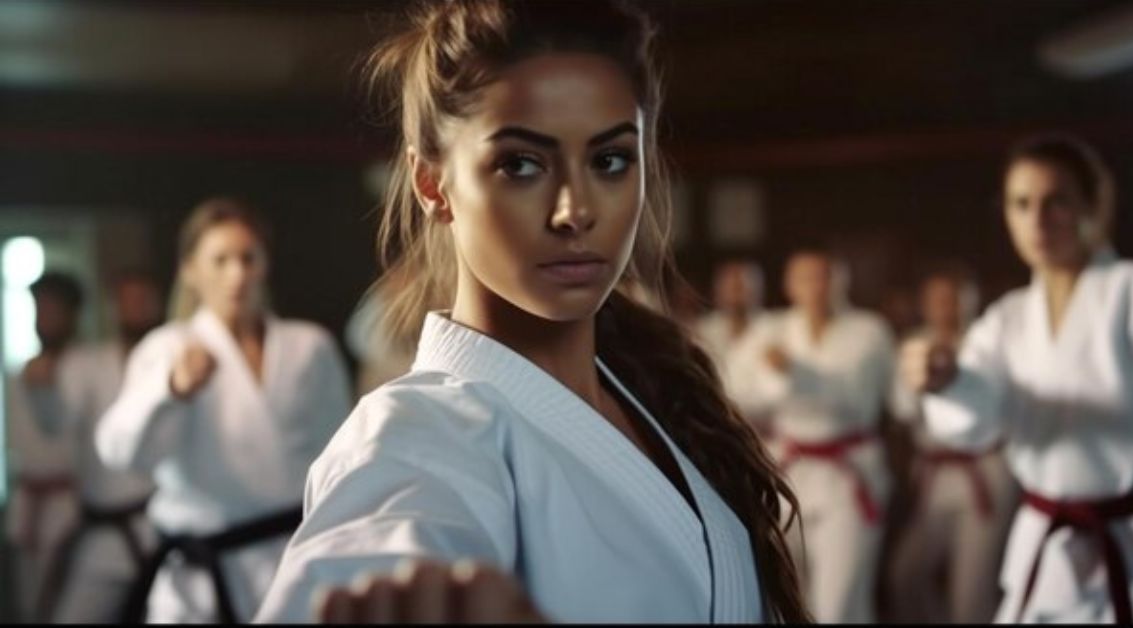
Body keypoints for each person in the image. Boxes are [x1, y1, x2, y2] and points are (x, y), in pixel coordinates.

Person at [255, 1, 806, 622]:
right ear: (432, 184)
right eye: (521, 164)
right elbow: (381, 547)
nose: (575, 210)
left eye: (610, 161)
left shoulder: (652, 390)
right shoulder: (420, 431)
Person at [900, 134, 1133, 623]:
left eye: (1055, 201)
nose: (1037, 220)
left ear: (1093, 205)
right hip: (1048, 546)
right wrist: (948, 381)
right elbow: (979, 418)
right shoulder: (1007, 318)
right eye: (1021, 204)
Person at [94, 198, 353, 622]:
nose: (237, 274)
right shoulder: (166, 349)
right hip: (197, 580)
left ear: (265, 264)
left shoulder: (309, 346)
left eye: (248, 258)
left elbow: (343, 455)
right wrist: (171, 388)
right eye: (220, 260)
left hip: (293, 562)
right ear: (190, 270)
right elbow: (120, 452)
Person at [726, 249, 895, 623]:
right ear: (789, 285)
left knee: (840, 602)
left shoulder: (869, 331)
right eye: (804, 277)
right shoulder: (770, 330)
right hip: (790, 471)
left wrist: (794, 373)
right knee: (789, 595)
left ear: (841, 280)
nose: (815, 286)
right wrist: (775, 380)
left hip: (850, 475)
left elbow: (857, 402)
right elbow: (738, 397)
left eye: (824, 276)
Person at [886, 263, 1017, 623]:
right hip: (935, 475)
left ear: (971, 300)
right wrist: (922, 379)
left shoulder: (987, 343)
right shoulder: (913, 345)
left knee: (971, 595)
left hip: (984, 473)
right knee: (906, 577)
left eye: (954, 298)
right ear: (924, 304)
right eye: (936, 299)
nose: (945, 306)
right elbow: (901, 409)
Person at [37, 270, 165, 622]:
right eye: (128, 300)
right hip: (104, 530)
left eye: (144, 299)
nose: (136, 308)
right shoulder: (85, 363)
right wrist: (45, 389)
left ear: (158, 304)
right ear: (114, 307)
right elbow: (55, 422)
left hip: (163, 526)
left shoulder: (174, 360)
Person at [5, 272, 85, 621]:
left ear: (72, 314)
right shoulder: (21, 370)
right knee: (28, 604)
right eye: (40, 309)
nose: (45, 318)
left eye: (54, 309)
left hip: (70, 506)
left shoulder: (90, 366)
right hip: (26, 503)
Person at [693, 259, 766, 387]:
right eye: (728, 287)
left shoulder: (772, 328)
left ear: (755, 290)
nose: (734, 295)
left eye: (739, 287)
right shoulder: (704, 330)